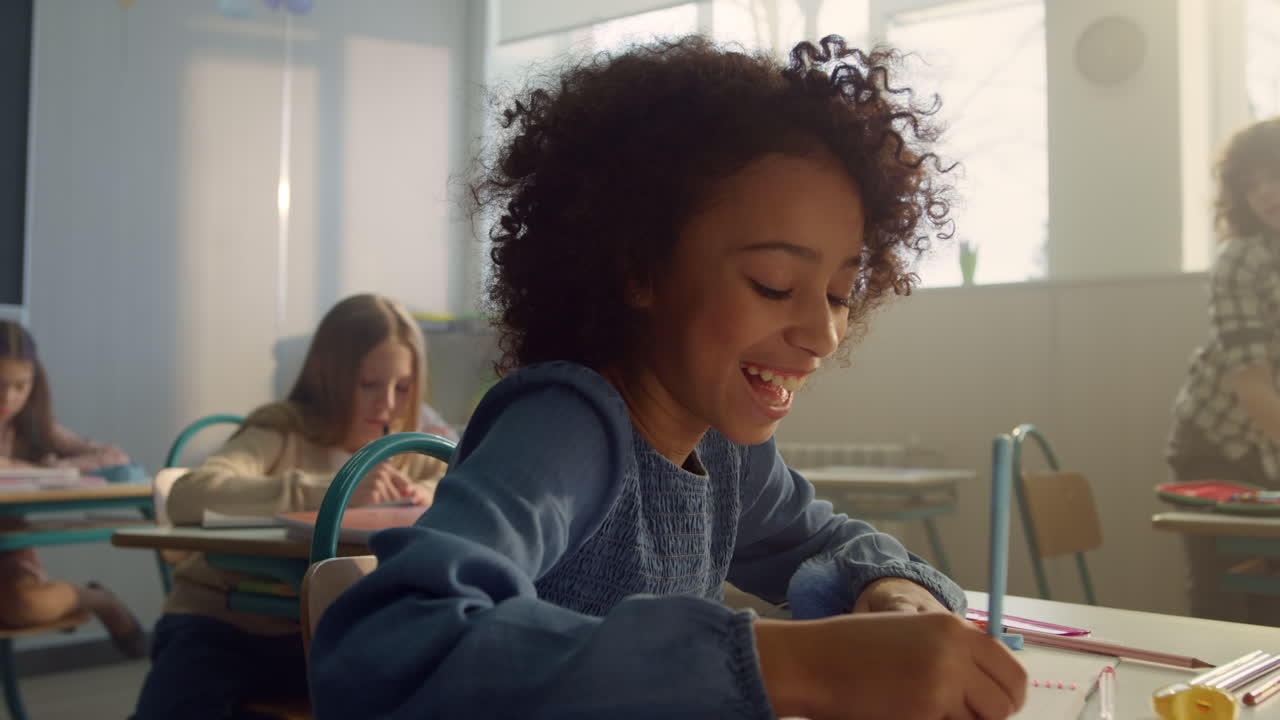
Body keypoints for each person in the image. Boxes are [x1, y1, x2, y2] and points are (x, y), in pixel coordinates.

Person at [310, 36, 1027, 719]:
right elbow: (389, 648)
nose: (824, 334)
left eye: (840, 293)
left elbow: (822, 544)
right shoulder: (571, 429)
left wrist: (891, 588)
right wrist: (798, 666)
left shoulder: (723, 448)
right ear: (640, 268)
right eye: (775, 284)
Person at [131, 293, 448, 719]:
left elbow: (458, 473)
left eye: (403, 388)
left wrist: (430, 492)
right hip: (221, 627)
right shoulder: (282, 431)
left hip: (325, 636)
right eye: (369, 384)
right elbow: (190, 493)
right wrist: (332, 489)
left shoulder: (404, 452)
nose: (387, 404)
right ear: (324, 375)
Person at [1166, 116, 1280, 625]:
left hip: (1269, 447)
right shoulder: (1242, 259)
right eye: (1251, 182)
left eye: (1273, 175)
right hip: (1218, 446)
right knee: (1227, 607)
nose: (1264, 193)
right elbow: (1254, 387)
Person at [0, 320, 144, 657]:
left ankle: (97, 600)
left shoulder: (32, 427)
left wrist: (53, 468)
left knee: (25, 606)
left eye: (21, 386)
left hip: (8, 554)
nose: (8, 397)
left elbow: (114, 456)